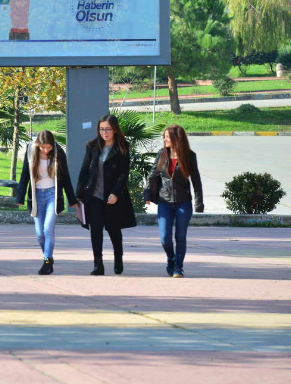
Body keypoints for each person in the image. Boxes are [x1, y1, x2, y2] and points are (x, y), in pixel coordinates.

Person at [76, 114, 137, 276]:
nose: (104, 133)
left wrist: (116, 193)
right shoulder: (92, 146)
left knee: (113, 230)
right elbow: (84, 171)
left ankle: (118, 259)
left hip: (113, 197)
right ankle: (98, 264)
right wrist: (78, 195)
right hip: (94, 195)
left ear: (115, 130)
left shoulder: (123, 148)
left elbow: (124, 174)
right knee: (95, 230)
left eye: (108, 129)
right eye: (101, 129)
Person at [16, 130, 78, 275]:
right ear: (37, 144)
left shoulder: (58, 152)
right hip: (36, 196)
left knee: (48, 230)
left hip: (52, 195)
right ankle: (48, 256)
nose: (45, 150)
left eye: (48, 147)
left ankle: (47, 263)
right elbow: (25, 174)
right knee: (39, 234)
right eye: (43, 147)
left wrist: (72, 199)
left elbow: (66, 177)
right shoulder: (31, 150)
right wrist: (20, 197)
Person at [146, 125, 204, 278]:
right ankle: (171, 258)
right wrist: (148, 194)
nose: (164, 139)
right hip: (164, 201)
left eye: (167, 137)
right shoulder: (161, 154)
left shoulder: (189, 156)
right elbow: (152, 175)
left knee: (180, 236)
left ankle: (178, 267)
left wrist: (199, 202)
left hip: (183, 201)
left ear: (177, 138)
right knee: (165, 237)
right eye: (164, 136)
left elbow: (196, 180)